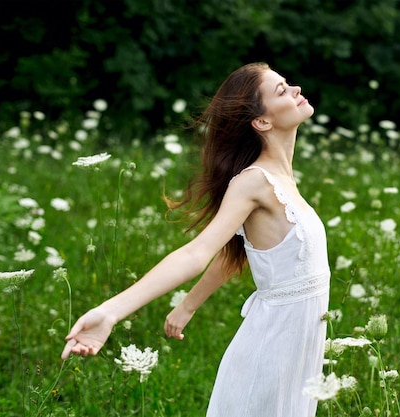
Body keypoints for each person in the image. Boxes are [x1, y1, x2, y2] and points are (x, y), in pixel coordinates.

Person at [61, 62, 331, 417]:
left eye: (288, 84)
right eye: (281, 90)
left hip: (301, 350)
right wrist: (110, 312)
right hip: (272, 349)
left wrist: (188, 305)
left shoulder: (284, 181)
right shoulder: (253, 182)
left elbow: (247, 251)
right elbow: (197, 252)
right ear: (262, 121)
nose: (295, 89)